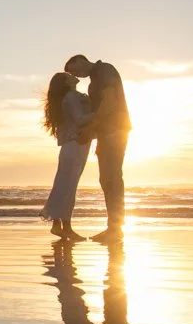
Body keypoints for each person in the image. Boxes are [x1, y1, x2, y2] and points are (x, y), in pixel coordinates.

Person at [64, 54, 131, 243]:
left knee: (113, 177)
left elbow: (109, 102)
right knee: (106, 179)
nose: (78, 75)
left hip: (115, 130)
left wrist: (93, 128)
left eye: (75, 70)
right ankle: (113, 227)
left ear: (80, 60)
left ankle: (115, 229)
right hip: (105, 132)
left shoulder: (103, 70)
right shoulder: (95, 79)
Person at [40, 72, 94, 241]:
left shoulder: (71, 97)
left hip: (71, 146)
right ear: (66, 83)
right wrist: (102, 114)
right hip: (76, 145)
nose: (72, 76)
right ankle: (66, 227)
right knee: (69, 186)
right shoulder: (71, 97)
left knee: (63, 184)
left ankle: (58, 226)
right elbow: (80, 119)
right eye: (68, 75)